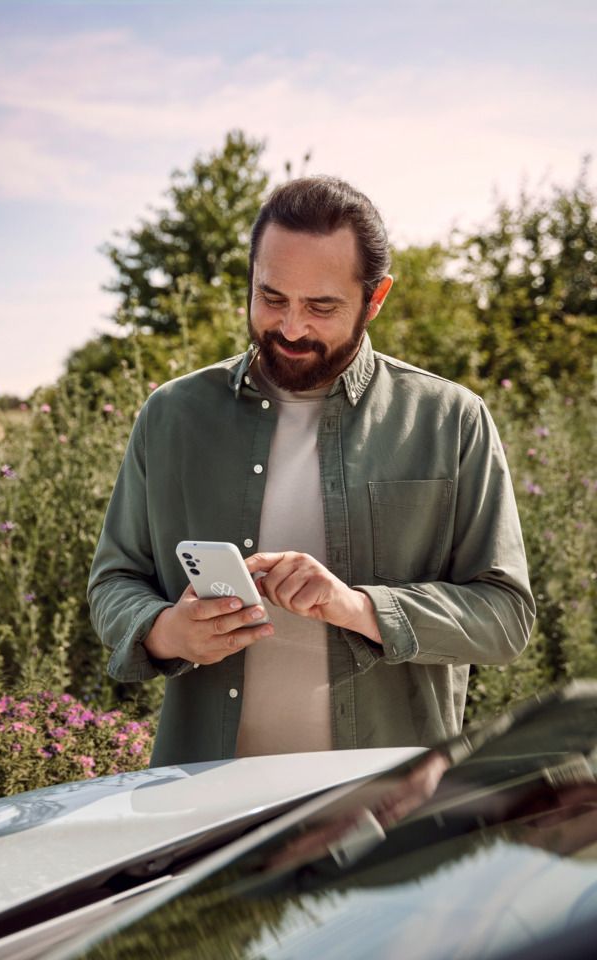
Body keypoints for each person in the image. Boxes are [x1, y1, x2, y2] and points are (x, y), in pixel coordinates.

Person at [88, 176, 535, 766]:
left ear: (375, 300)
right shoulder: (172, 415)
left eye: (321, 306)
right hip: (202, 801)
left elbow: (505, 617)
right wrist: (167, 630)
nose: (292, 327)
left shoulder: (451, 420)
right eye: (272, 298)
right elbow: (114, 581)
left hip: (384, 807)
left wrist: (359, 607)